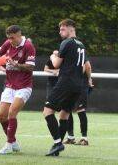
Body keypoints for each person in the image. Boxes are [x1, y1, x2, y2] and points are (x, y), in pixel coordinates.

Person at [43, 19, 88, 156]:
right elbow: (84, 66)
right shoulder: (81, 45)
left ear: (70, 28)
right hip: (78, 84)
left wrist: (52, 56)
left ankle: (57, 143)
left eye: (62, 29)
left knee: (47, 111)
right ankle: (57, 148)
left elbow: (56, 64)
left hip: (66, 82)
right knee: (64, 115)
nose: (60, 32)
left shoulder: (66, 43)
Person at [0, 25, 36, 155]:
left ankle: (8, 145)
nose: (10, 40)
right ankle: (13, 141)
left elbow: (30, 67)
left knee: (11, 113)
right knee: (1, 116)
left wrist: (17, 65)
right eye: (8, 38)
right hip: (10, 85)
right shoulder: (8, 43)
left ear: (19, 34)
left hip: (24, 86)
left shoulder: (28, 46)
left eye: (12, 38)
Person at [64, 61, 93, 146]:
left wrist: (89, 79)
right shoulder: (68, 52)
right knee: (67, 109)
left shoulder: (81, 50)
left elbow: (87, 66)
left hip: (80, 85)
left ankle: (84, 138)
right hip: (69, 85)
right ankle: (70, 137)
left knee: (80, 109)